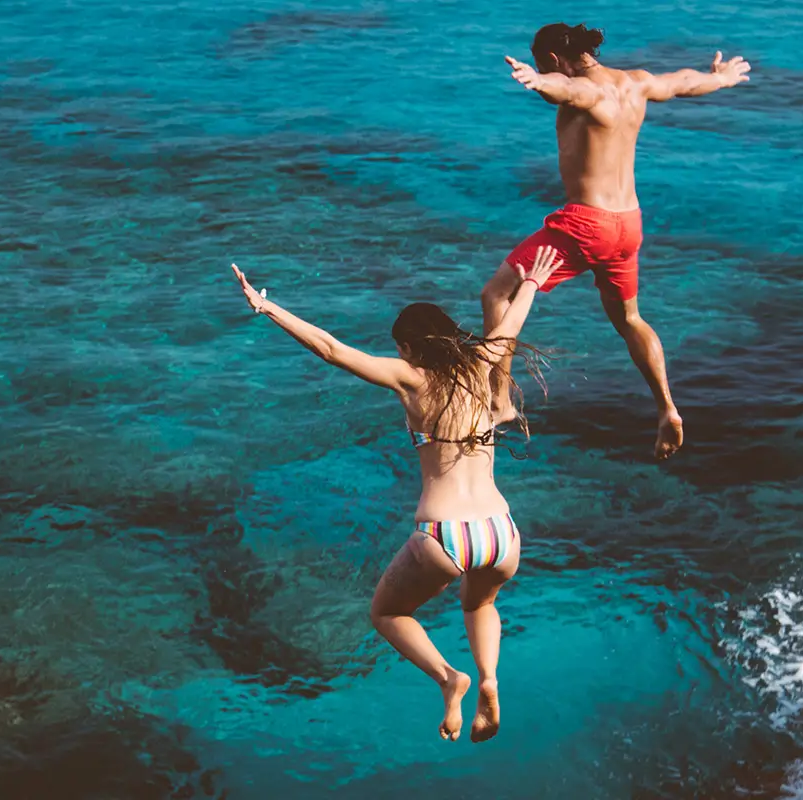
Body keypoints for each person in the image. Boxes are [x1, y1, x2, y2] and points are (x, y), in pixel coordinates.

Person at [232, 247, 564, 742]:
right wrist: (532, 282)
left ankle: (451, 679)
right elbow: (510, 322)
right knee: (479, 605)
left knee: (387, 613)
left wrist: (267, 307)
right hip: (501, 533)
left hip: (446, 534)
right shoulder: (480, 362)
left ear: (410, 348)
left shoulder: (411, 380)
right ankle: (491, 679)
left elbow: (332, 350)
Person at [487, 23, 751, 460]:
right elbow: (682, 82)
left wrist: (538, 83)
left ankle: (500, 401)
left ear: (554, 59)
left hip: (585, 224)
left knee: (496, 293)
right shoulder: (636, 82)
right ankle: (667, 408)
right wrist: (720, 78)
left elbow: (567, 92)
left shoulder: (582, 89)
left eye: (541, 64)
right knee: (629, 319)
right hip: (628, 225)